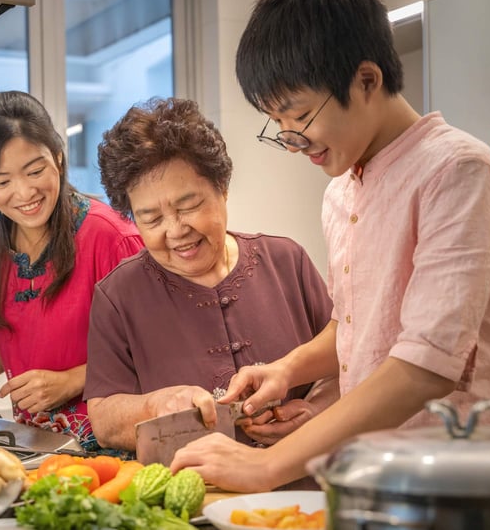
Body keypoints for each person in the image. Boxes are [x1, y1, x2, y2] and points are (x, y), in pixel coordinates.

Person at [170, 0, 490, 492]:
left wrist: (267, 466)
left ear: (366, 80)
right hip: (369, 478)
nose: (291, 140)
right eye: (278, 123)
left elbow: (425, 367)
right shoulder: (340, 191)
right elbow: (358, 324)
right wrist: (287, 368)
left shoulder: (458, 172)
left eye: (298, 116)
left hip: (455, 483)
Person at [84, 97, 338, 453]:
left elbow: (344, 359)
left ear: (222, 189)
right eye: (152, 219)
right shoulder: (118, 296)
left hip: (303, 484)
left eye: (188, 206)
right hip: (194, 495)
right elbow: (105, 417)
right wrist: (155, 406)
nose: (175, 230)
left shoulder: (285, 261)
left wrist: (315, 410)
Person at [0, 91, 144, 451]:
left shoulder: (109, 235)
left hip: (112, 448)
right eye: (2, 182)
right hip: (42, 445)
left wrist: (72, 381)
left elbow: (153, 347)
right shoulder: (0, 245)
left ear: (59, 159)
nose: (24, 192)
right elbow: (15, 336)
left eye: (35, 171)